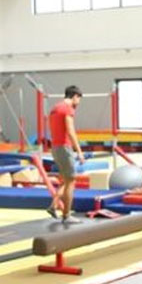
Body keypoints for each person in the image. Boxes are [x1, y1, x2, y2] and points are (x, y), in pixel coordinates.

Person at [47, 86, 85, 221]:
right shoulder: (67, 109)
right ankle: (67, 215)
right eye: (79, 99)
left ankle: (53, 206)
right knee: (71, 181)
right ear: (75, 96)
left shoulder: (55, 108)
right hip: (64, 147)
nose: (78, 103)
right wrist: (79, 151)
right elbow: (70, 131)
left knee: (66, 179)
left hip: (55, 147)